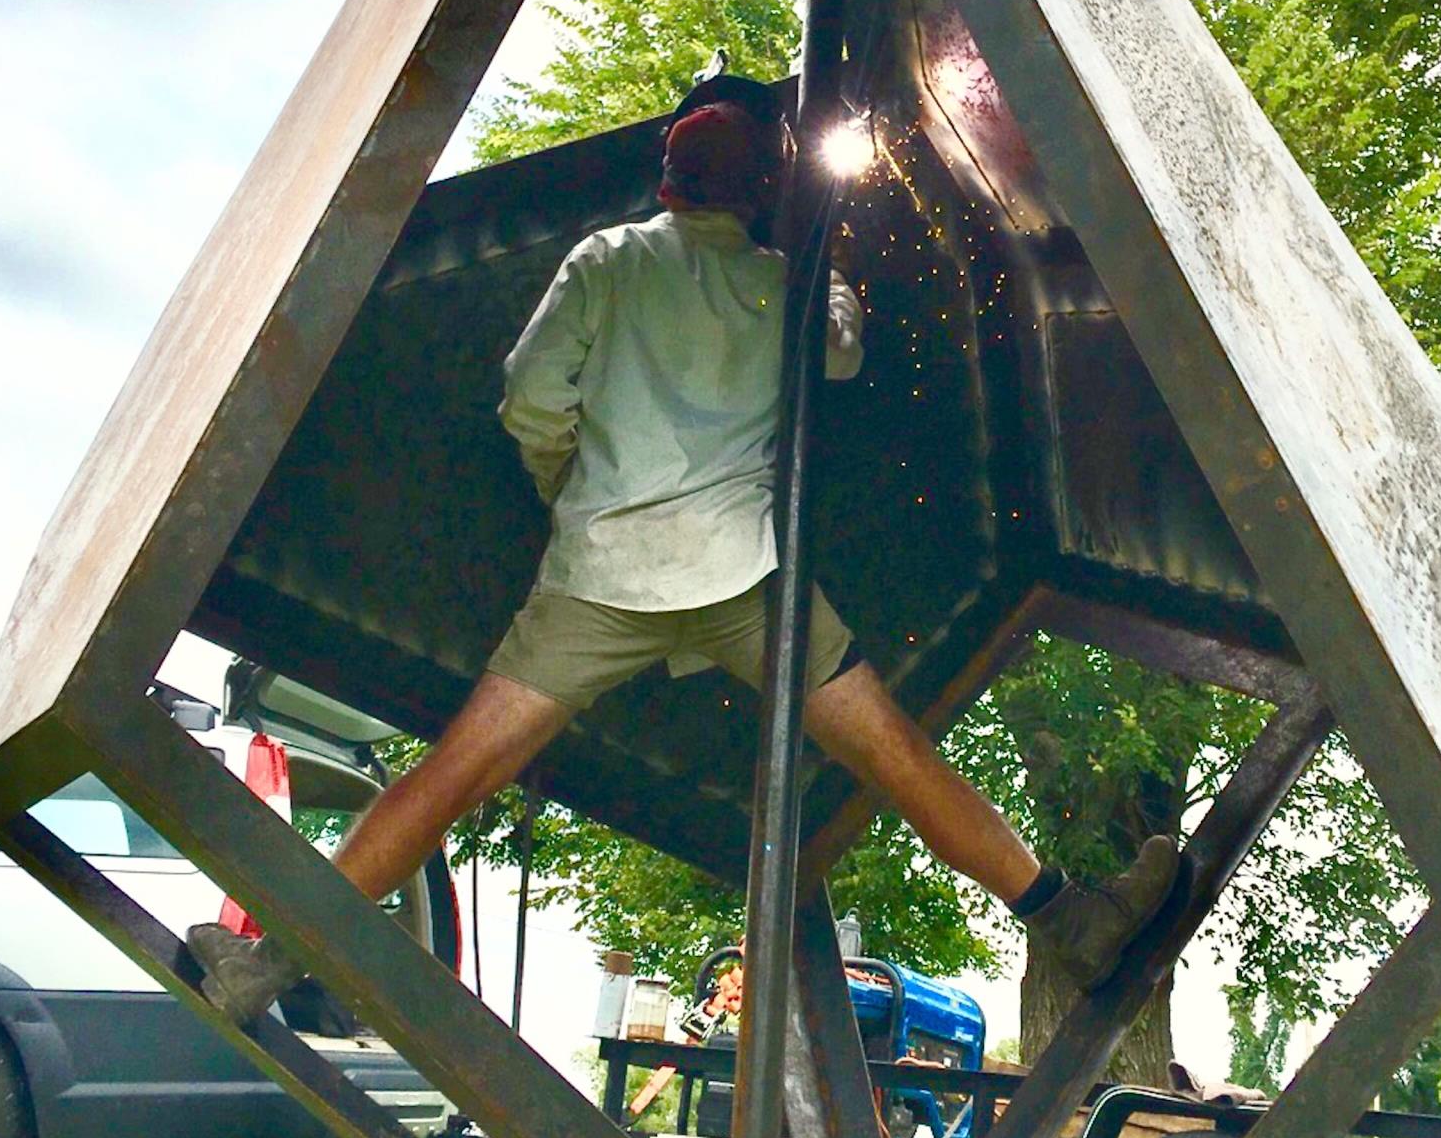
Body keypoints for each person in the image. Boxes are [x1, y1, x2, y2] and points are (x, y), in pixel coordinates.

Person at [188, 74, 1180, 1025]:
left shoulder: (606, 261)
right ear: (764, 190)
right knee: (897, 758)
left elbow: (530, 399)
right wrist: (817, 263)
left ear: (667, 173)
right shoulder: (786, 287)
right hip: (746, 588)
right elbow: (842, 351)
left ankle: (269, 966)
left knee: (452, 776)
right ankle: (1070, 921)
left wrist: (568, 494)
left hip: (594, 583)